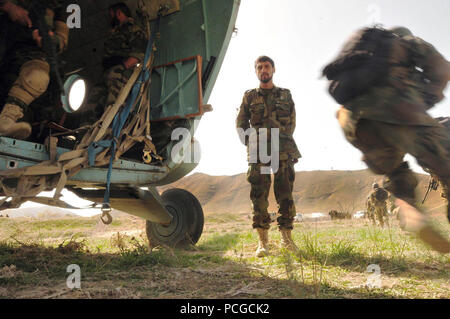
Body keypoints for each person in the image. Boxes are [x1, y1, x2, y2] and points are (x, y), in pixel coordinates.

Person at [325, 26, 450, 253]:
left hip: (355, 124)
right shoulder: (407, 44)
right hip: (400, 111)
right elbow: (442, 69)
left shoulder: (358, 56)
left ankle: (406, 205)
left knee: (397, 172)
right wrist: (426, 99)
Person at [236, 55, 301, 257]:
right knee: (259, 196)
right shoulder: (249, 97)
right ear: (256, 72)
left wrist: (284, 141)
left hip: (282, 150)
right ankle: (263, 244)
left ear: (273, 70)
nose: (263, 70)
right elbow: (240, 124)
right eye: (259, 67)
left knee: (285, 196)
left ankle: (287, 241)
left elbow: (291, 122)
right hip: (259, 153)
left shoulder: (285, 95)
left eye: (266, 66)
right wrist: (252, 143)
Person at [0, 0, 69, 139]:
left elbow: (62, 38)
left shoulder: (58, 5)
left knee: (38, 77)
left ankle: (6, 120)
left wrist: (50, 39)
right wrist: (9, 7)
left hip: (30, 56)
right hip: (5, 45)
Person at [81, 2, 147, 124]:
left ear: (119, 13)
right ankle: (86, 133)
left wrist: (121, 68)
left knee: (113, 105)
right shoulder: (115, 32)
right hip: (107, 72)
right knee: (91, 104)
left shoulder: (133, 29)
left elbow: (138, 54)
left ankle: (110, 134)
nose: (109, 19)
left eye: (111, 16)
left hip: (119, 73)